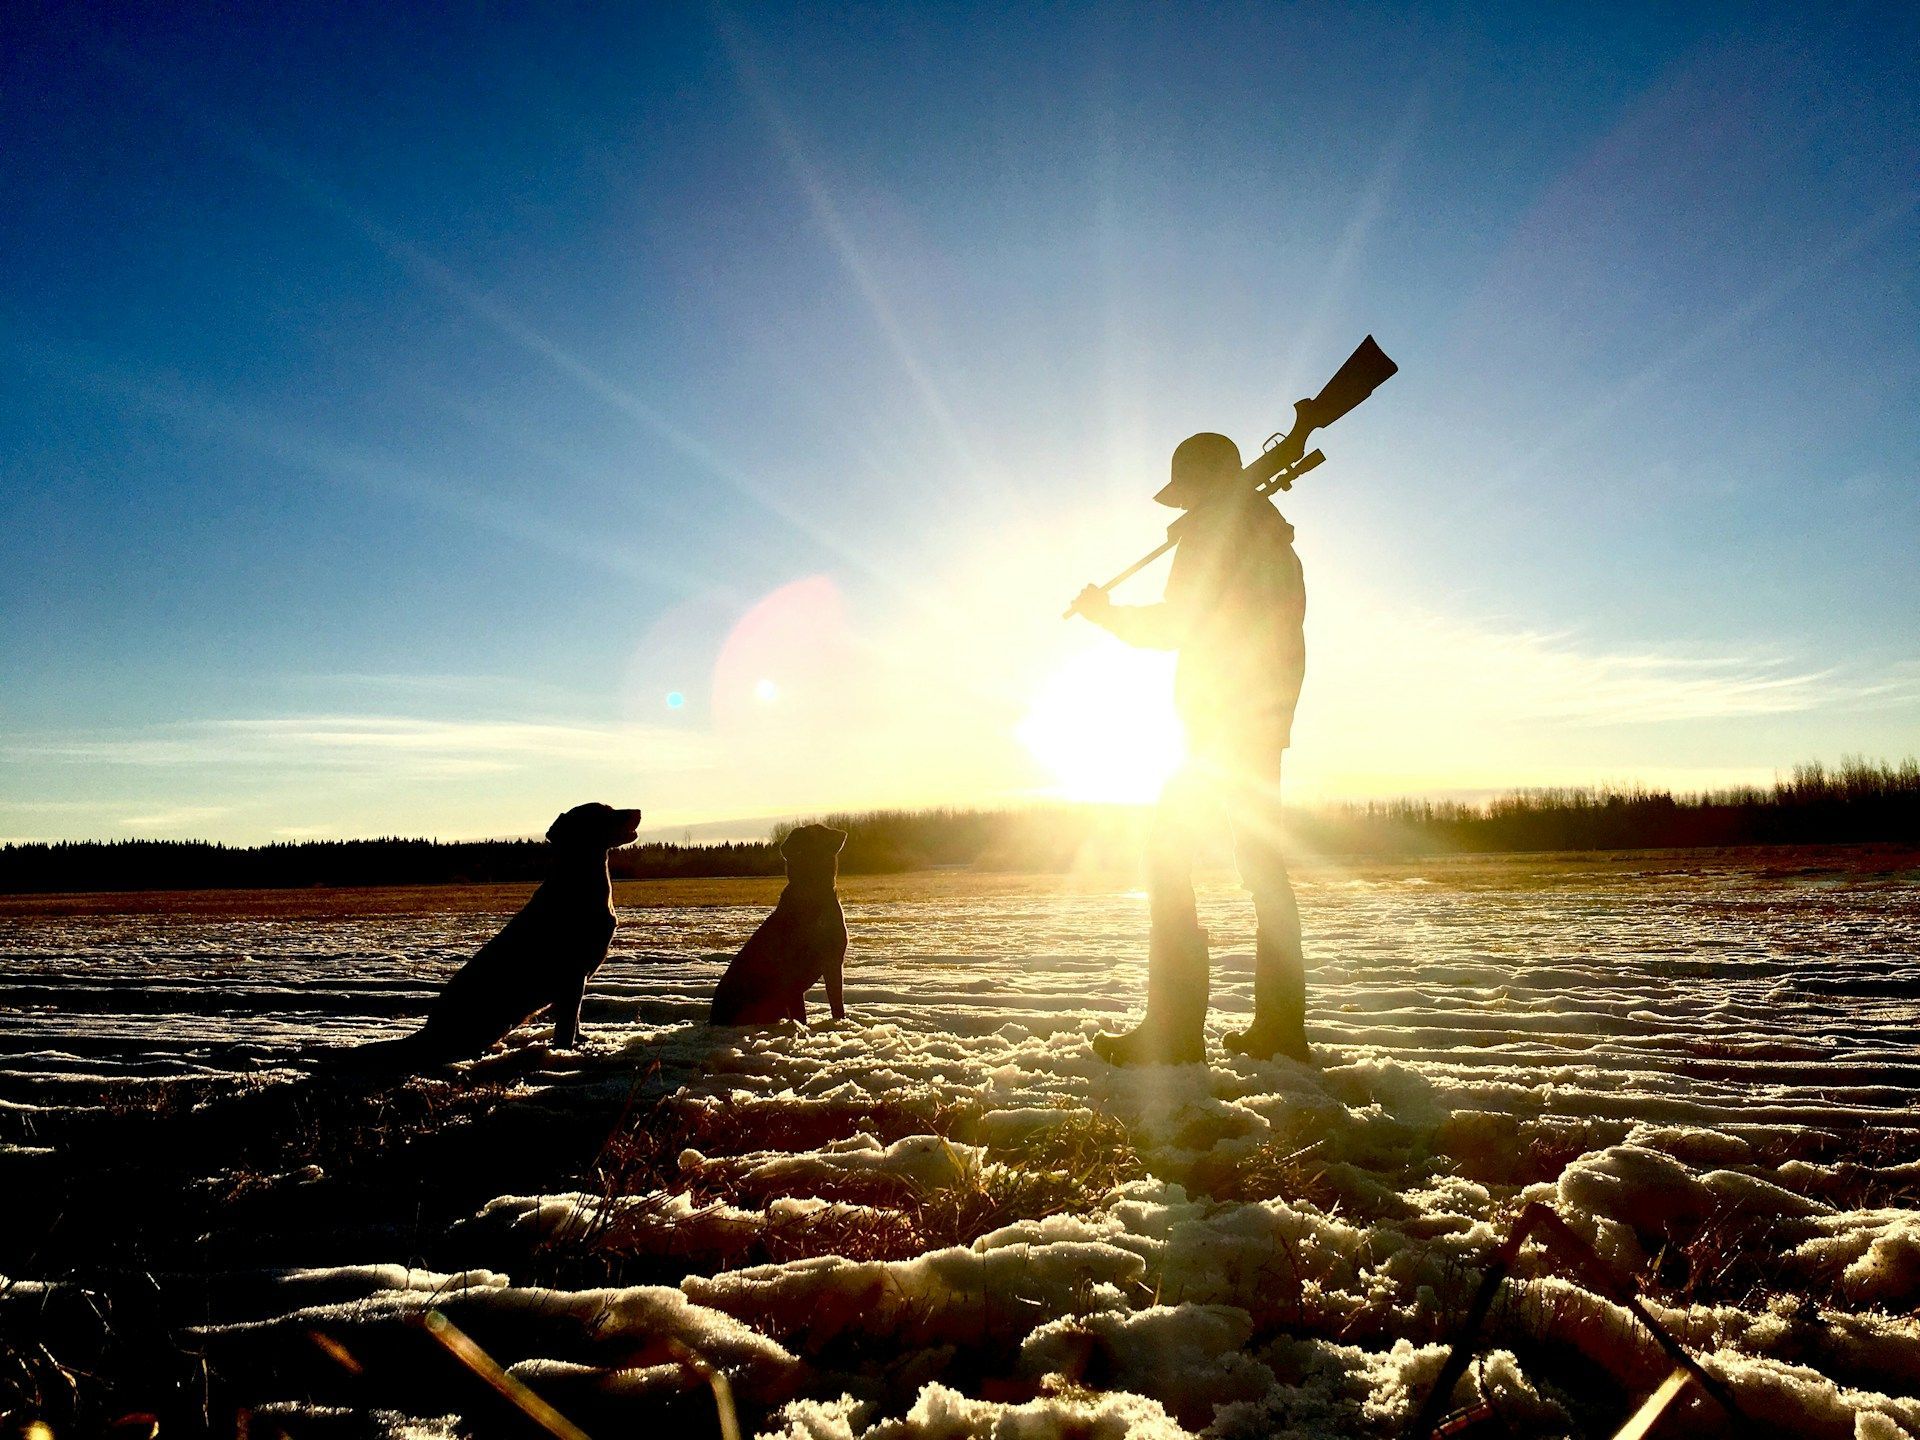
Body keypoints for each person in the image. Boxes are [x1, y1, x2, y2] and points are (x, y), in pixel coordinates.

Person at [1071, 431, 1311, 1065]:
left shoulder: (1215, 537)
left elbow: (1178, 625)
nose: (1179, 511)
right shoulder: (1268, 536)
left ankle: (1174, 1033)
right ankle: (1282, 1030)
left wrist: (1107, 614)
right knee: (1265, 874)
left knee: (1166, 858)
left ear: (1204, 487)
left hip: (1213, 730)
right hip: (1259, 726)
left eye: (1186, 497)